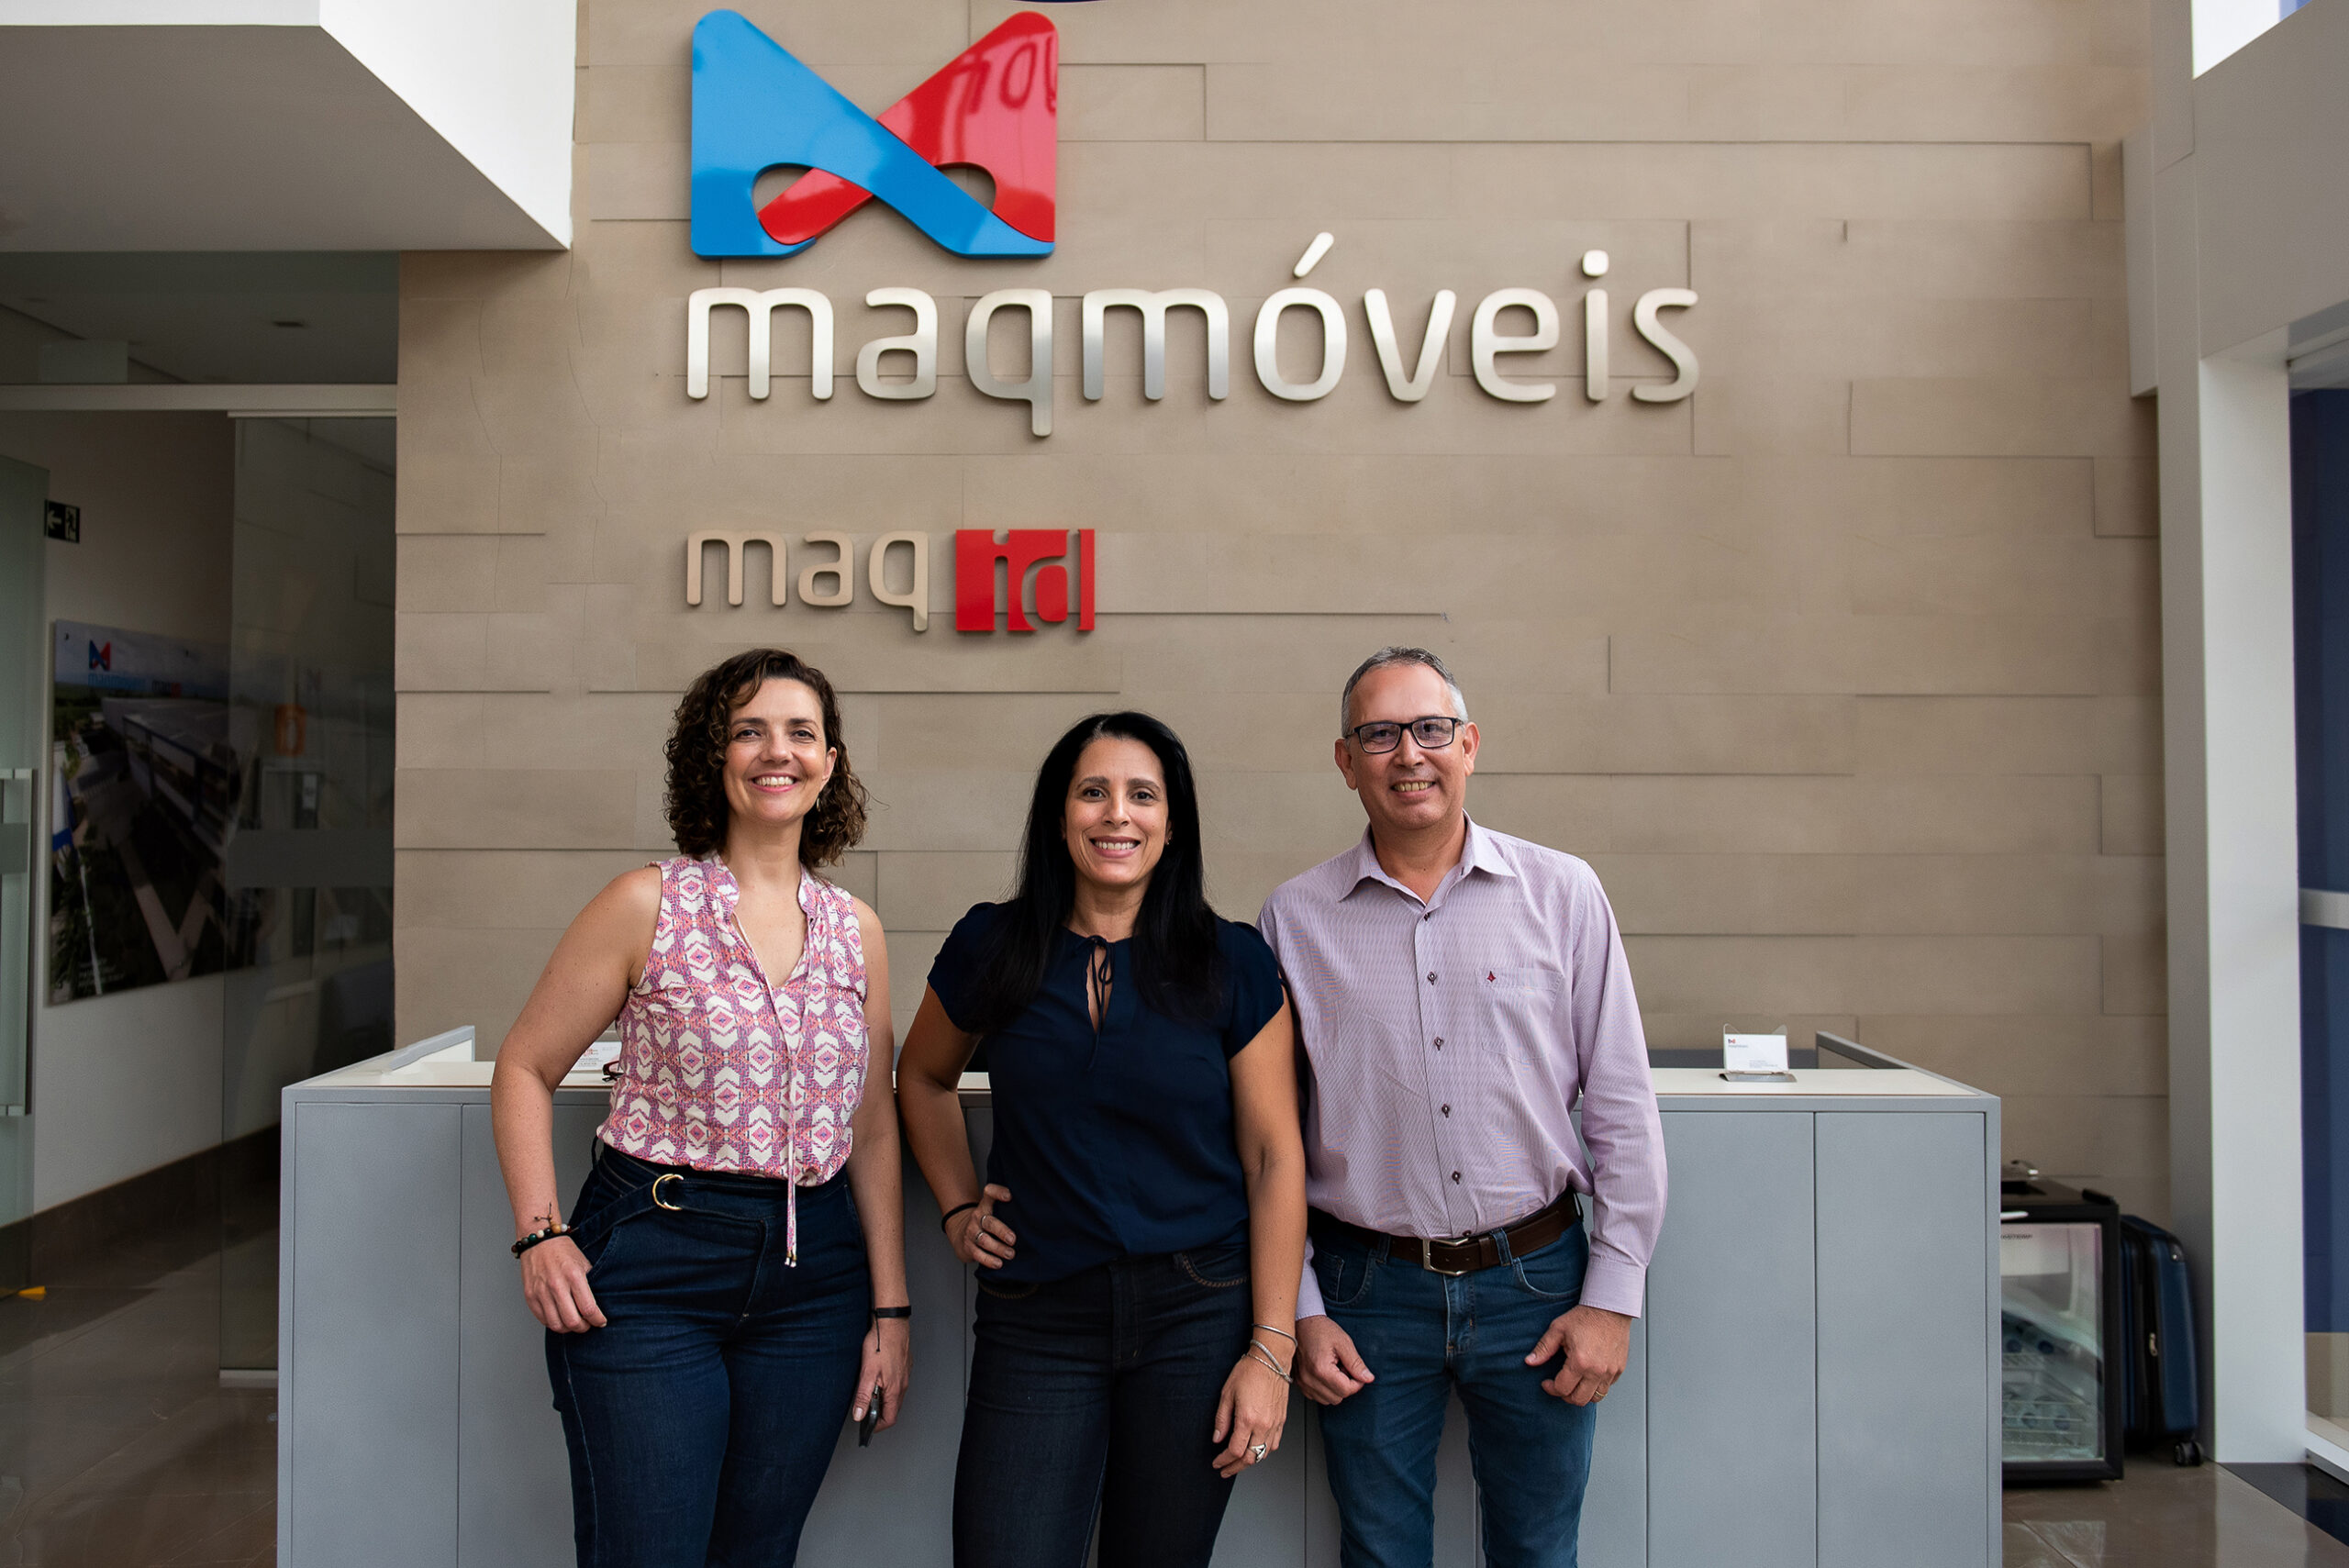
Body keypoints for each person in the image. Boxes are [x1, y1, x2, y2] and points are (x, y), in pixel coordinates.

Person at [489, 648, 908, 1568]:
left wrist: (891, 1306)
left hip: (816, 1283)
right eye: (749, 728)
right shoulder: (647, 901)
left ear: (830, 761)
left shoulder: (856, 928)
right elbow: (523, 1064)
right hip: (652, 1262)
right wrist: (539, 1231)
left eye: (801, 731)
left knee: (757, 1553)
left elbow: (870, 1123)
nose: (777, 749)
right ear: (712, 756)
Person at [1256, 647, 1667, 1568]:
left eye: (1430, 729)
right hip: (1365, 1296)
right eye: (1379, 733)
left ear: (1469, 744)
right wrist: (1302, 1305)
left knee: (1537, 1549)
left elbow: (1621, 1108)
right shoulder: (1291, 919)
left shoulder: (1563, 893)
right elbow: (1268, 1139)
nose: (1408, 753)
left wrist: (1613, 1297)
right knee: (1379, 1551)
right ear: (1344, 758)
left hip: (1538, 1285)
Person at [896, 711, 1307, 1568]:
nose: (1117, 814)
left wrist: (1273, 1347)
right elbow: (922, 1077)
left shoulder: (1233, 960)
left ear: (1173, 820)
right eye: (1093, 792)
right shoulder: (993, 943)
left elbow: (1274, 1157)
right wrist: (958, 1205)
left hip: (1199, 1308)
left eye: (1142, 795)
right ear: (1059, 815)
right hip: (1037, 1311)